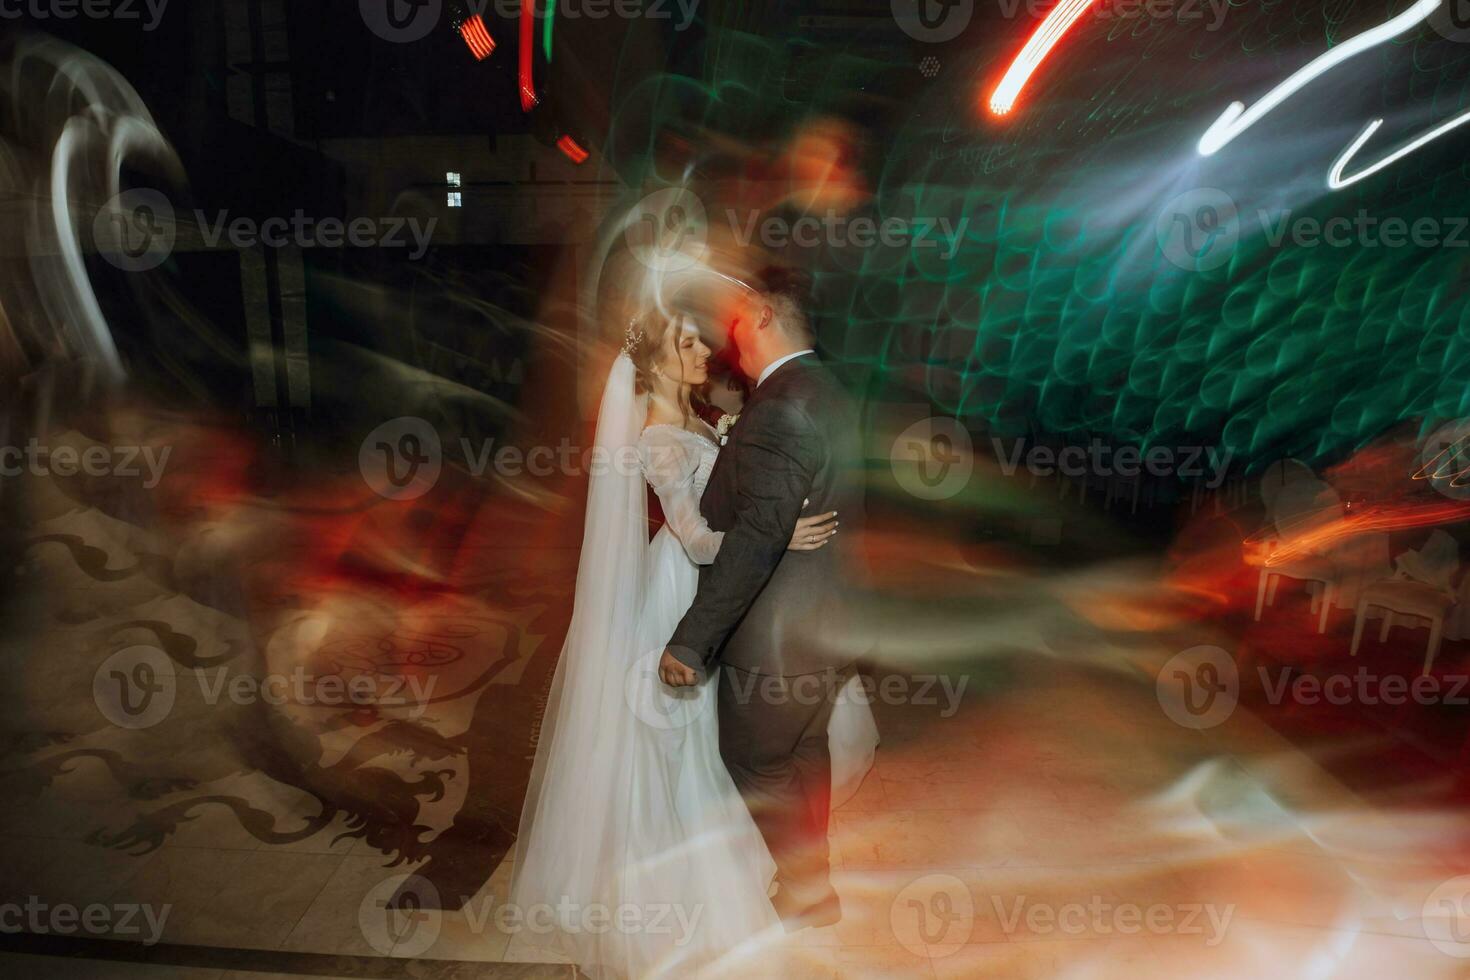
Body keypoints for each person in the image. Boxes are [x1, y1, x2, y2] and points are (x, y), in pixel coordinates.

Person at [510, 301, 877, 979]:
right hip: (694, 588)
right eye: (687, 344)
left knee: (752, 744)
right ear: (654, 362)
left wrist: (760, 522)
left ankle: (792, 875)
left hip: (737, 594)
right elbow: (697, 536)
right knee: (698, 744)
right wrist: (773, 536)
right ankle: (722, 870)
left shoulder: (712, 421)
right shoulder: (655, 437)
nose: (705, 352)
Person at [658, 267, 871, 930]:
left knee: (752, 758)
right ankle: (814, 884)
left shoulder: (780, 403)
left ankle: (809, 891)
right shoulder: (826, 387)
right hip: (826, 624)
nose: (730, 342)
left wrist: (693, 640)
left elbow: (754, 535)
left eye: (736, 324)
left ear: (764, 318)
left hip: (776, 637)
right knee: (805, 753)